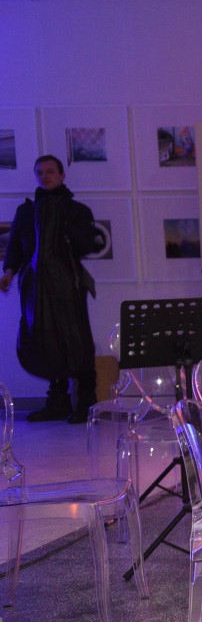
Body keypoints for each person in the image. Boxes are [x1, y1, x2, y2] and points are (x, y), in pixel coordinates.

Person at [0, 155, 104, 424]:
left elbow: (85, 246)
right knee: (44, 339)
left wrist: (69, 230)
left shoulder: (77, 210)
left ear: (61, 175)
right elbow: (15, 248)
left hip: (68, 283)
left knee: (77, 338)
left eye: (50, 171)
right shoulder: (25, 212)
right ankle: (57, 403)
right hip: (35, 286)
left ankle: (86, 403)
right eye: (40, 172)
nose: (45, 176)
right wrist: (8, 273)